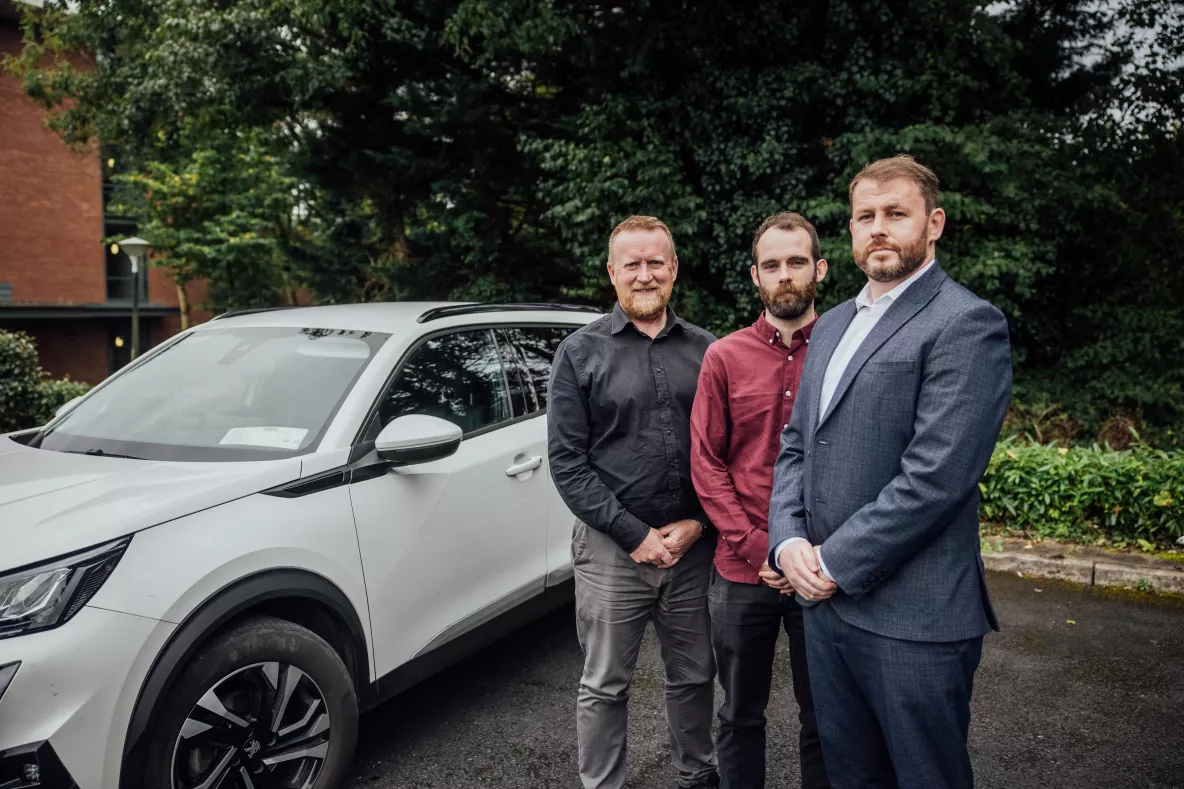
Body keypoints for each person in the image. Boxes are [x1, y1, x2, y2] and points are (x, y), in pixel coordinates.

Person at [769, 155, 1012, 789]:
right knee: (850, 776)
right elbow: (797, 444)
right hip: (826, 614)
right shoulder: (832, 327)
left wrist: (829, 563)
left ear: (933, 224)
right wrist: (788, 539)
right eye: (865, 217)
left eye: (895, 214)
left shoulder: (965, 322)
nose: (878, 229)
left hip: (916, 621)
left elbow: (936, 478)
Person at [547, 215, 720, 789]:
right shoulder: (578, 354)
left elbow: (724, 452)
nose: (644, 275)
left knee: (695, 675)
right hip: (611, 552)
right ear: (612, 273)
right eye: (632, 264)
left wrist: (699, 522)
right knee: (604, 684)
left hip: (693, 549)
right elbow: (567, 464)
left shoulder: (709, 352)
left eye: (655, 263)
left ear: (673, 269)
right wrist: (635, 535)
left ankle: (697, 774)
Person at [691, 212, 832, 789]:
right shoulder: (724, 357)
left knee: (824, 715)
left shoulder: (846, 349)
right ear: (755, 276)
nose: (785, 276)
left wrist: (814, 554)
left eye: (796, 262)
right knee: (738, 713)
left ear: (819, 269)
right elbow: (706, 463)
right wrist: (761, 550)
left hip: (824, 568)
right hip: (742, 572)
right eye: (772, 265)